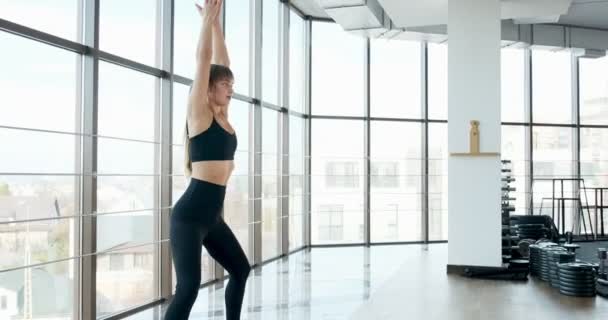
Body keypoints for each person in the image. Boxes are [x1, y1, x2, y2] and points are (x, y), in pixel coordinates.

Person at [164, 1, 250, 319]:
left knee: (241, 270)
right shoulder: (199, 115)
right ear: (208, 89)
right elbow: (204, 61)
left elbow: (222, 62)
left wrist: (215, 23)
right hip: (189, 217)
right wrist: (205, 26)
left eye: (231, 84)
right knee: (188, 288)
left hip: (212, 217)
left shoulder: (223, 115)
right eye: (225, 85)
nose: (231, 88)